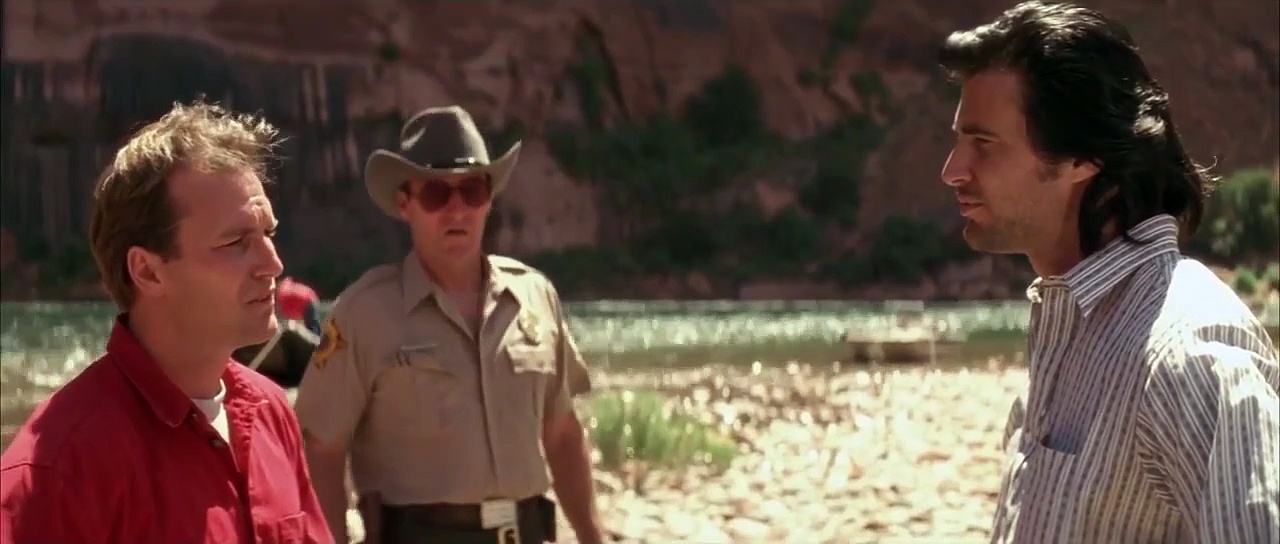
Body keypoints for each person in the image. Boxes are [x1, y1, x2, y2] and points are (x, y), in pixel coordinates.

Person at [937, 2, 1279, 542]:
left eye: (983, 144)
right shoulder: (1070, 328)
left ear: (1082, 157)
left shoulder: (1185, 353)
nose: (952, 170)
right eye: (959, 140)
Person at [0, 99, 331, 543]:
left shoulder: (272, 414)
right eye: (236, 241)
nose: (273, 264)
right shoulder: (59, 469)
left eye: (268, 233)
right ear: (148, 272)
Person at [294, 105, 603, 544]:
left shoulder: (535, 296)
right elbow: (320, 448)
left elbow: (562, 431)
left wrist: (592, 535)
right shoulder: (364, 312)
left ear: (489, 198)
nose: (457, 210)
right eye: (437, 194)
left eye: (472, 190)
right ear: (405, 204)